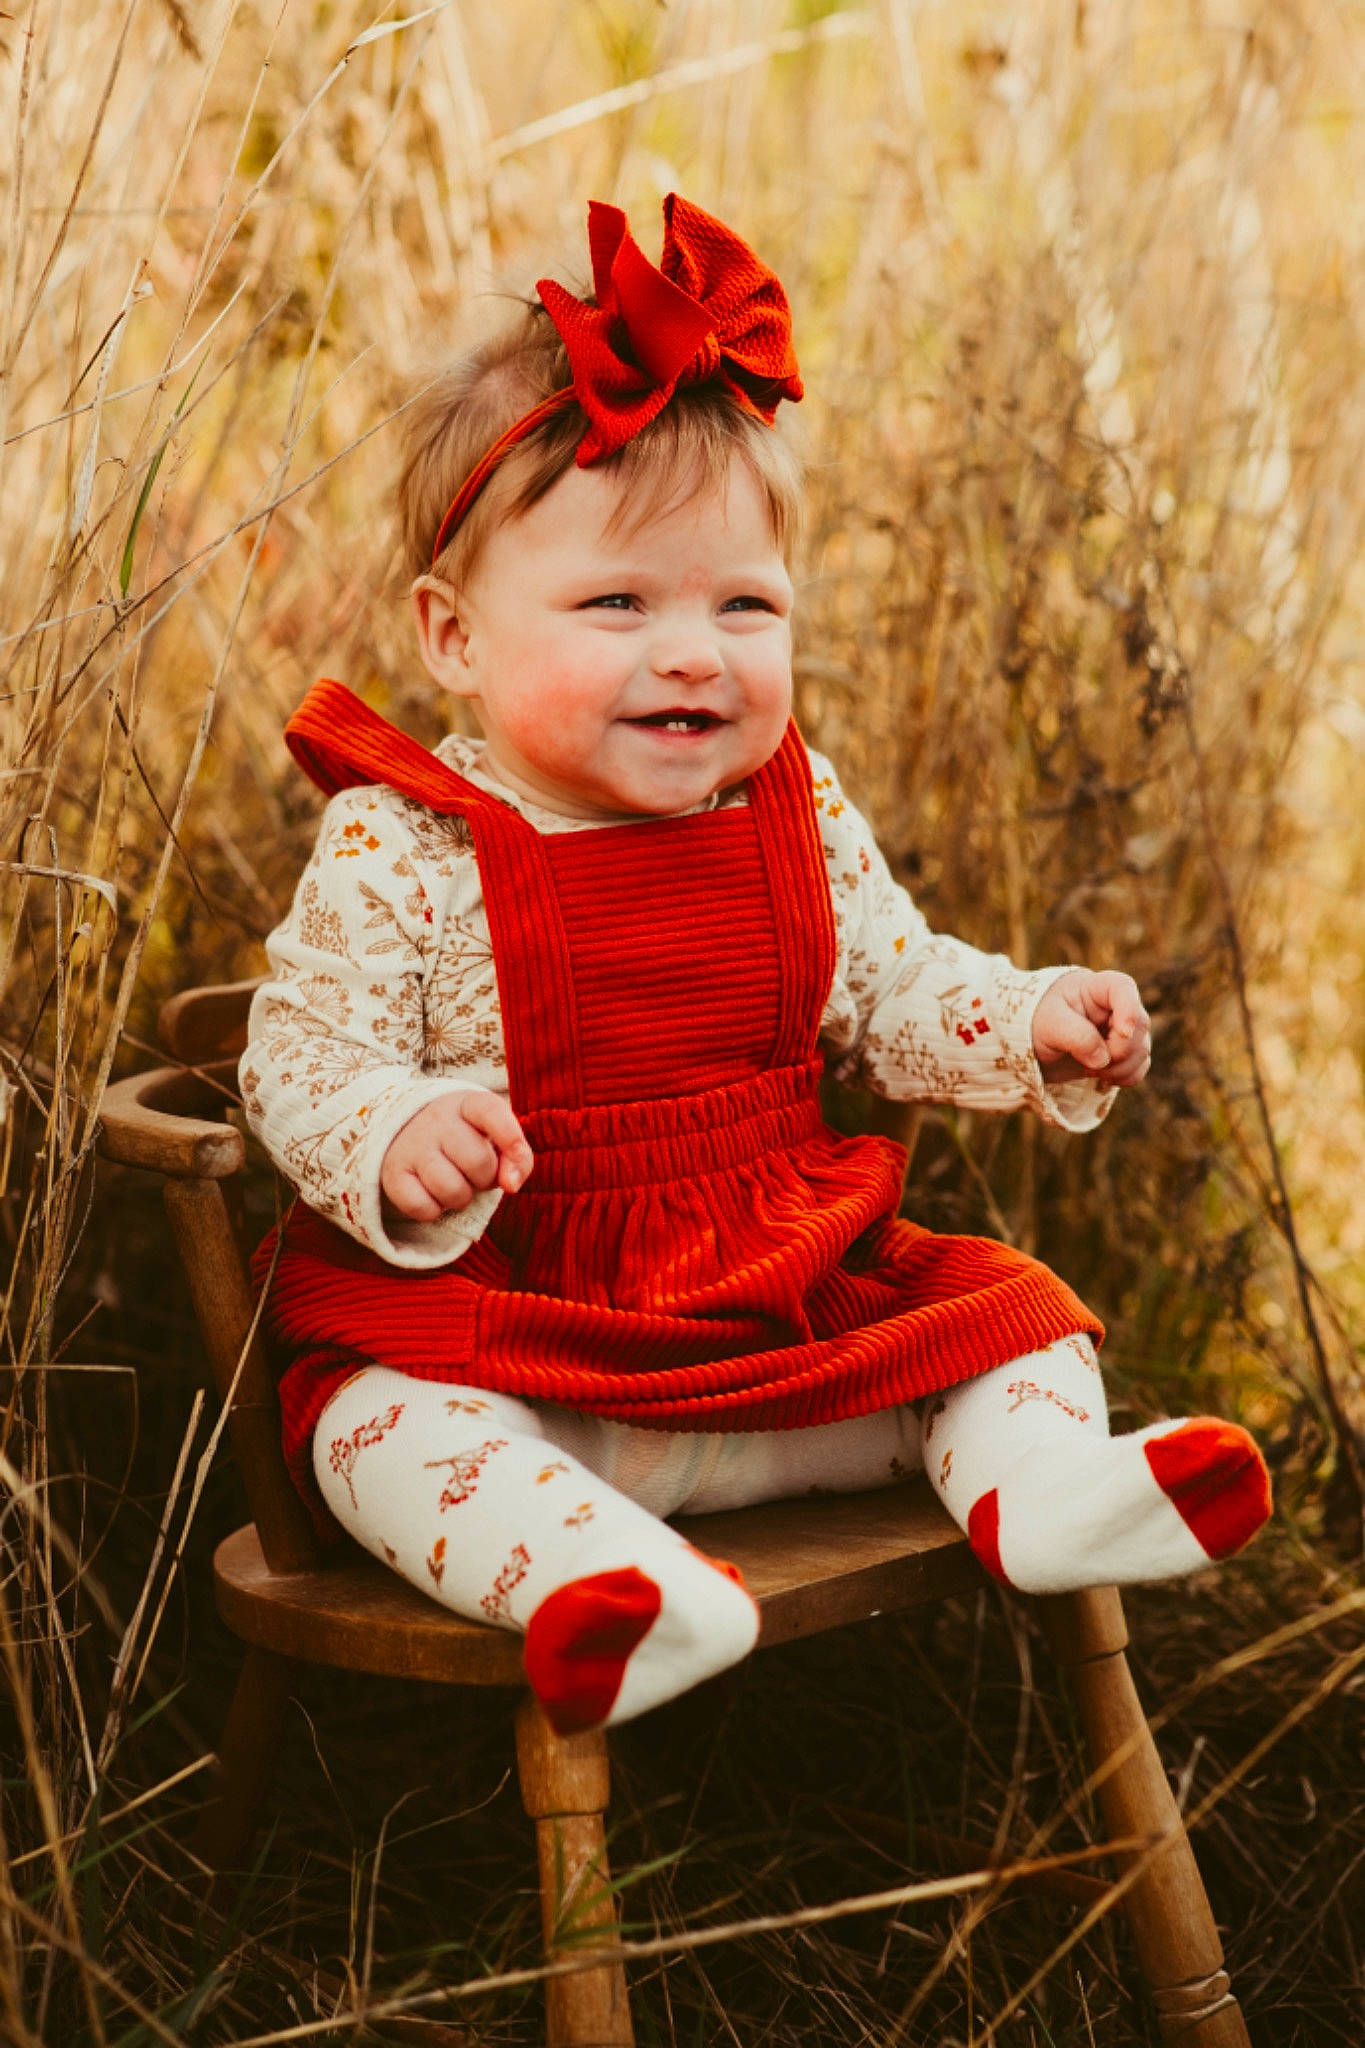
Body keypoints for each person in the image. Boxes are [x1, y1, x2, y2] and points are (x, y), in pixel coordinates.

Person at [241, 194, 1271, 1735]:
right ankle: (607, 1587)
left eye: (745, 605)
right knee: (369, 1430)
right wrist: (388, 1135)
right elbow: (297, 1058)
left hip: (788, 1324)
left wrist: (1029, 1019)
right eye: (616, 604)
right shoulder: (409, 846)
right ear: (454, 636)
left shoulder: (794, 807)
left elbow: (890, 990)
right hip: (531, 1353)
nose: (693, 653)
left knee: (1014, 1316)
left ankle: (1047, 1495)